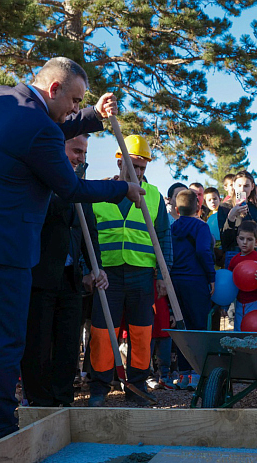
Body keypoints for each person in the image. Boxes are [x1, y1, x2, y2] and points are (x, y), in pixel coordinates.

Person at [0, 57, 143, 453]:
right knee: (8, 339)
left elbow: (50, 124)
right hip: (2, 243)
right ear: (54, 89)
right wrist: (122, 189)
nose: (76, 108)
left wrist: (93, 116)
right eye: (75, 99)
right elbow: (71, 189)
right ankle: (2, 431)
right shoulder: (40, 130)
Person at [20, 134, 104, 407]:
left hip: (72, 278)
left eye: (84, 153)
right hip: (40, 275)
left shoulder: (79, 186)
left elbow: (90, 230)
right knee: (39, 342)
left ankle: (63, 398)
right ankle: (39, 401)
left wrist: (95, 268)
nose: (81, 157)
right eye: (76, 151)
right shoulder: (39, 180)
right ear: (60, 148)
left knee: (68, 343)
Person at [88, 134, 169, 407]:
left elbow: (163, 236)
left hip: (142, 274)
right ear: (119, 161)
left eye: (143, 167)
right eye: (133, 165)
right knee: (101, 331)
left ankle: (136, 385)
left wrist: (162, 276)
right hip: (106, 276)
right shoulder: (98, 192)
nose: (138, 172)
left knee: (141, 332)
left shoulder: (155, 195)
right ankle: (99, 386)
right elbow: (86, 233)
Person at [169, 189, 215, 388]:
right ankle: (197, 376)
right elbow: (203, 250)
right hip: (196, 280)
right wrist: (211, 276)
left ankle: (183, 375)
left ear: (177, 209)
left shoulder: (171, 227)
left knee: (182, 327)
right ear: (198, 207)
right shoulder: (201, 227)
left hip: (175, 281)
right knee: (199, 328)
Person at [227, 220, 257, 330]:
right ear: (237, 240)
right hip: (239, 303)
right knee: (239, 330)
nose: (245, 242)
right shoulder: (234, 260)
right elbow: (229, 284)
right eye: (241, 238)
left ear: (256, 242)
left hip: (256, 302)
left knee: (255, 330)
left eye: (249, 239)